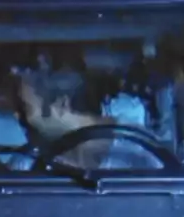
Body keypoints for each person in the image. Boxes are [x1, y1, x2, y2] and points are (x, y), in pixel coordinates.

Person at [9, 66, 164, 171]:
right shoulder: (28, 164)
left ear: (62, 104)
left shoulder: (140, 149)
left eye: (25, 108)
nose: (17, 116)